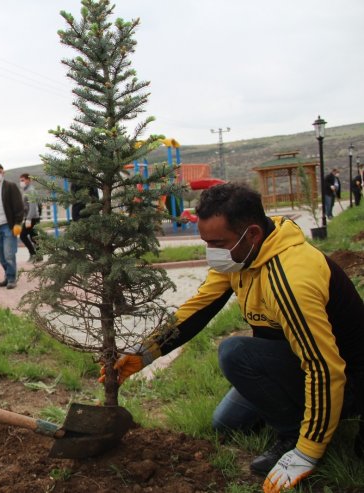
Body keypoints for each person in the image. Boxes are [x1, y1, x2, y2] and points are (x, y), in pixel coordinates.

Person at [114, 183, 363, 493]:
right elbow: (200, 308)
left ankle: (295, 434)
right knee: (226, 423)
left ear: (253, 233)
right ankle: (295, 408)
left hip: (347, 379)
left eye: (218, 242)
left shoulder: (293, 278)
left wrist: (307, 451)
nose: (212, 252)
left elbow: (324, 369)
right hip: (290, 358)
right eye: (206, 242)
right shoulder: (241, 256)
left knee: (234, 352)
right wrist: (146, 352)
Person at [19, 173, 40, 262]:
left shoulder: (31, 190)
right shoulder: (26, 190)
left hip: (32, 217)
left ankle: (33, 254)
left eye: (23, 180)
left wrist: (28, 219)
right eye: (20, 180)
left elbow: (33, 206)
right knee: (33, 237)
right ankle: (38, 256)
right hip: (30, 217)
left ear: (28, 180)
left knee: (23, 235)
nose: (21, 182)